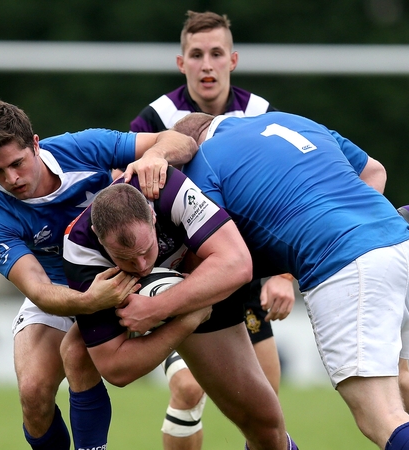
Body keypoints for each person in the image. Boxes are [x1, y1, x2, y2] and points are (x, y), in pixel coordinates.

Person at [109, 110, 409, 450]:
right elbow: (375, 172)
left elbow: (215, 251)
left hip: (346, 264)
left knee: (378, 416)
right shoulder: (292, 122)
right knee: (402, 383)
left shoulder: (200, 163)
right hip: (397, 243)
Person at [0, 98, 198, 450]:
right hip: (65, 291)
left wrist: (155, 155)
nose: (11, 179)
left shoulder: (82, 147)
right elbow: (39, 290)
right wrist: (89, 301)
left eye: (17, 164)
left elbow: (181, 141)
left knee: (77, 354)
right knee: (33, 392)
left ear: (35, 143)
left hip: (127, 270)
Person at [129, 11, 291, 449]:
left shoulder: (260, 114)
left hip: (244, 275)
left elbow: (287, 202)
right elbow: (125, 199)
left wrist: (285, 274)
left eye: (216, 54)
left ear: (232, 60)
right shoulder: (158, 118)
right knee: (187, 387)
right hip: (184, 281)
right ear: (181, 63)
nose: (206, 64)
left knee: (267, 410)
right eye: (196, 55)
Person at [61, 167, 299, 450]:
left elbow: (238, 264)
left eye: (146, 250)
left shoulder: (166, 190)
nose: (141, 266)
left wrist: (158, 308)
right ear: (100, 240)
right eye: (124, 258)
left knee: (265, 425)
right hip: (191, 306)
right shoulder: (79, 247)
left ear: (152, 216)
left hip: (207, 283)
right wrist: (187, 320)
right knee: (75, 350)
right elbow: (116, 369)